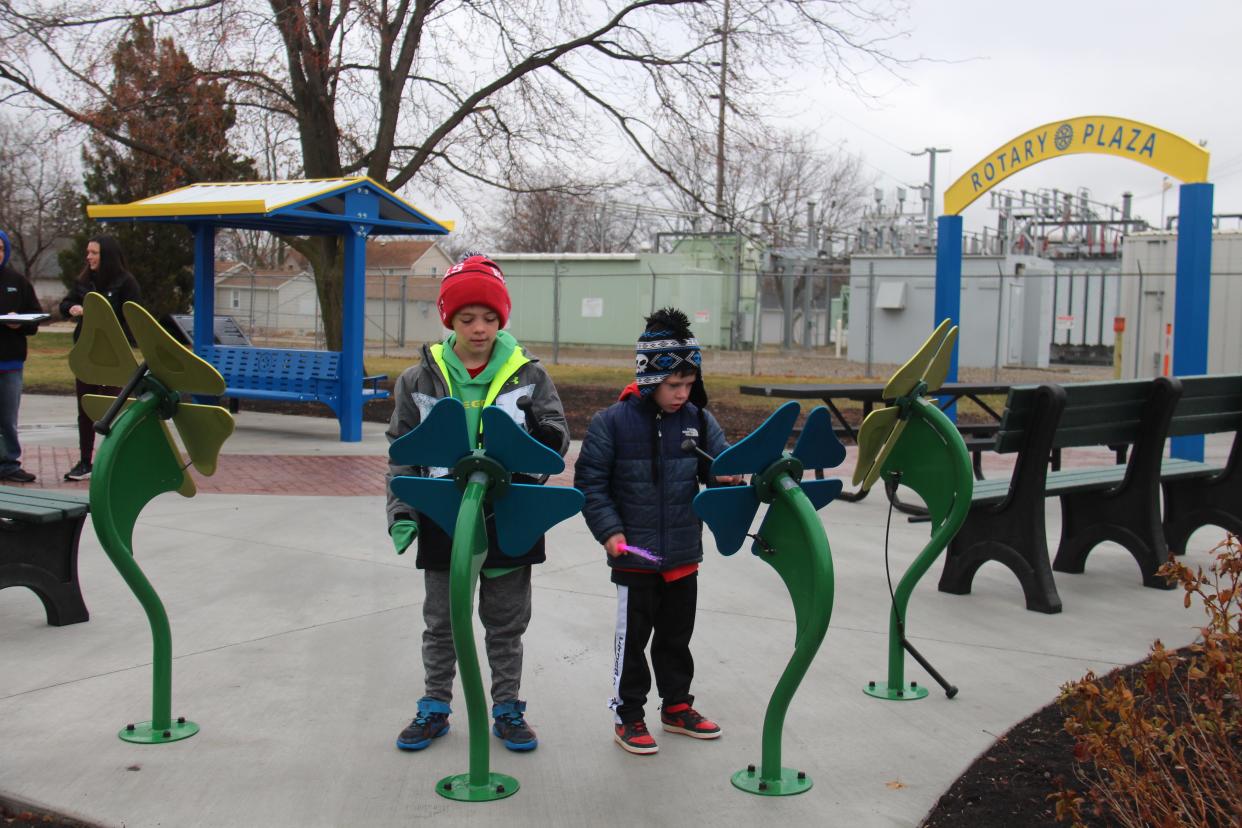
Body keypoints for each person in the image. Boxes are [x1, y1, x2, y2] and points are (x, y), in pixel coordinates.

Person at [385, 254, 568, 754]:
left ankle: (507, 707)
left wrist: (544, 438)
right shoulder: (417, 379)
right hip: (443, 515)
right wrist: (402, 513)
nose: (479, 328)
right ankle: (435, 706)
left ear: (501, 319)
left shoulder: (528, 375)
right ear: (449, 320)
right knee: (442, 621)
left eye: (489, 318)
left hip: (511, 514)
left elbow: (557, 438)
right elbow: (401, 452)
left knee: (506, 622)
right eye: (467, 319)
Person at [574, 307, 736, 756]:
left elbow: (720, 466)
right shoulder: (613, 423)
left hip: (683, 554)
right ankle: (628, 715)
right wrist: (609, 531)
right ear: (648, 380)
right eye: (673, 385)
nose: (683, 393)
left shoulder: (699, 420)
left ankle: (677, 706)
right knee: (633, 643)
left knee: (675, 637)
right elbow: (590, 484)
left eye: (689, 384)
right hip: (635, 557)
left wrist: (729, 476)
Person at [58, 235, 141, 481]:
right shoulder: (84, 281)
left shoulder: (126, 283)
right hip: (86, 354)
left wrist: (103, 314)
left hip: (113, 357)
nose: (89, 257)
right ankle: (85, 462)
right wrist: (71, 308)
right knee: (85, 408)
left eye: (94, 253)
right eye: (88, 252)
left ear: (107, 255)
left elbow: (134, 315)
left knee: (112, 409)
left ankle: (114, 462)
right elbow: (65, 303)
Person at [0, 230, 45, 483]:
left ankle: (9, 463)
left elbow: (35, 318)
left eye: (1, 248)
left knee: (7, 418)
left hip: (10, 363)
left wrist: (20, 324)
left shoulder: (18, 282)